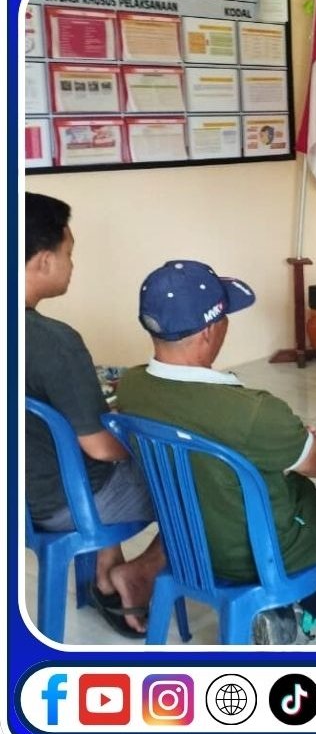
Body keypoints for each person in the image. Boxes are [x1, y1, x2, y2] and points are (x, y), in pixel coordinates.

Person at [116, 259, 316, 643]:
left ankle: (282, 609)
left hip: (186, 542)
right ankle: (291, 610)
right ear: (209, 330)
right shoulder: (254, 413)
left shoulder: (131, 387)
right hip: (263, 552)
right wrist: (297, 440)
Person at [25, 192, 165, 639]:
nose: (72, 264)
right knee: (201, 480)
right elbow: (101, 449)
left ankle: (106, 572)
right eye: (69, 253)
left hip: (19, 495)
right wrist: (144, 447)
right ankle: (139, 574)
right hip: (61, 503)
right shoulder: (53, 342)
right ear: (44, 260)